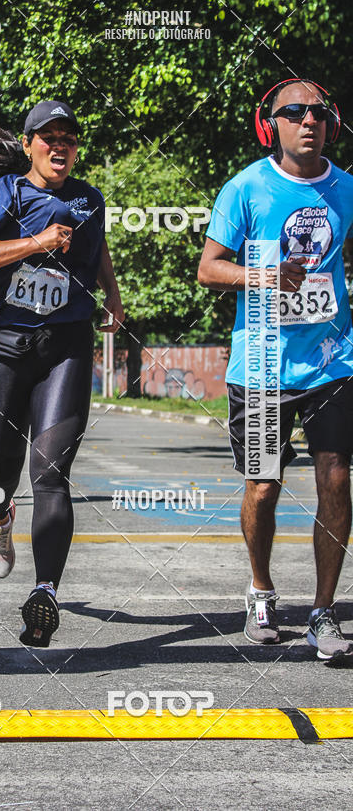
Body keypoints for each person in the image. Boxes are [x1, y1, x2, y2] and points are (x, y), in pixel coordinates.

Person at [0, 101, 124, 647]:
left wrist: (113, 295)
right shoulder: (1, 196)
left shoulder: (89, 199)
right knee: (2, 465)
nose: (60, 145)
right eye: (48, 136)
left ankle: (45, 593)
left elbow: (98, 254)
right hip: (5, 346)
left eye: (69, 136)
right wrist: (35, 242)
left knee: (51, 472)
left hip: (66, 345)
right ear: (28, 145)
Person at [198, 78, 353, 662]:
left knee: (336, 476)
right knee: (263, 486)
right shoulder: (246, 189)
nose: (307, 120)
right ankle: (261, 590)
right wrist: (263, 277)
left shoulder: (348, 190)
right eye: (294, 112)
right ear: (272, 125)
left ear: (331, 124)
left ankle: (323, 611)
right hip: (262, 362)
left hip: (333, 361)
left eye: (317, 112)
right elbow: (209, 269)